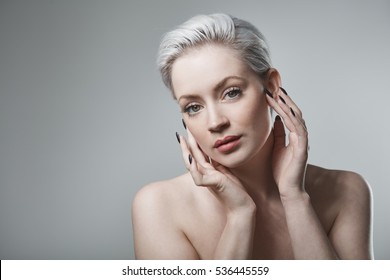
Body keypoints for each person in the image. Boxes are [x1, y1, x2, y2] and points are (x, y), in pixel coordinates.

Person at [132, 13, 373, 259]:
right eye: (193, 107)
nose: (215, 123)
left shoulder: (346, 191)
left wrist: (295, 198)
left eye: (231, 92)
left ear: (271, 85)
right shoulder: (158, 206)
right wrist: (240, 217)